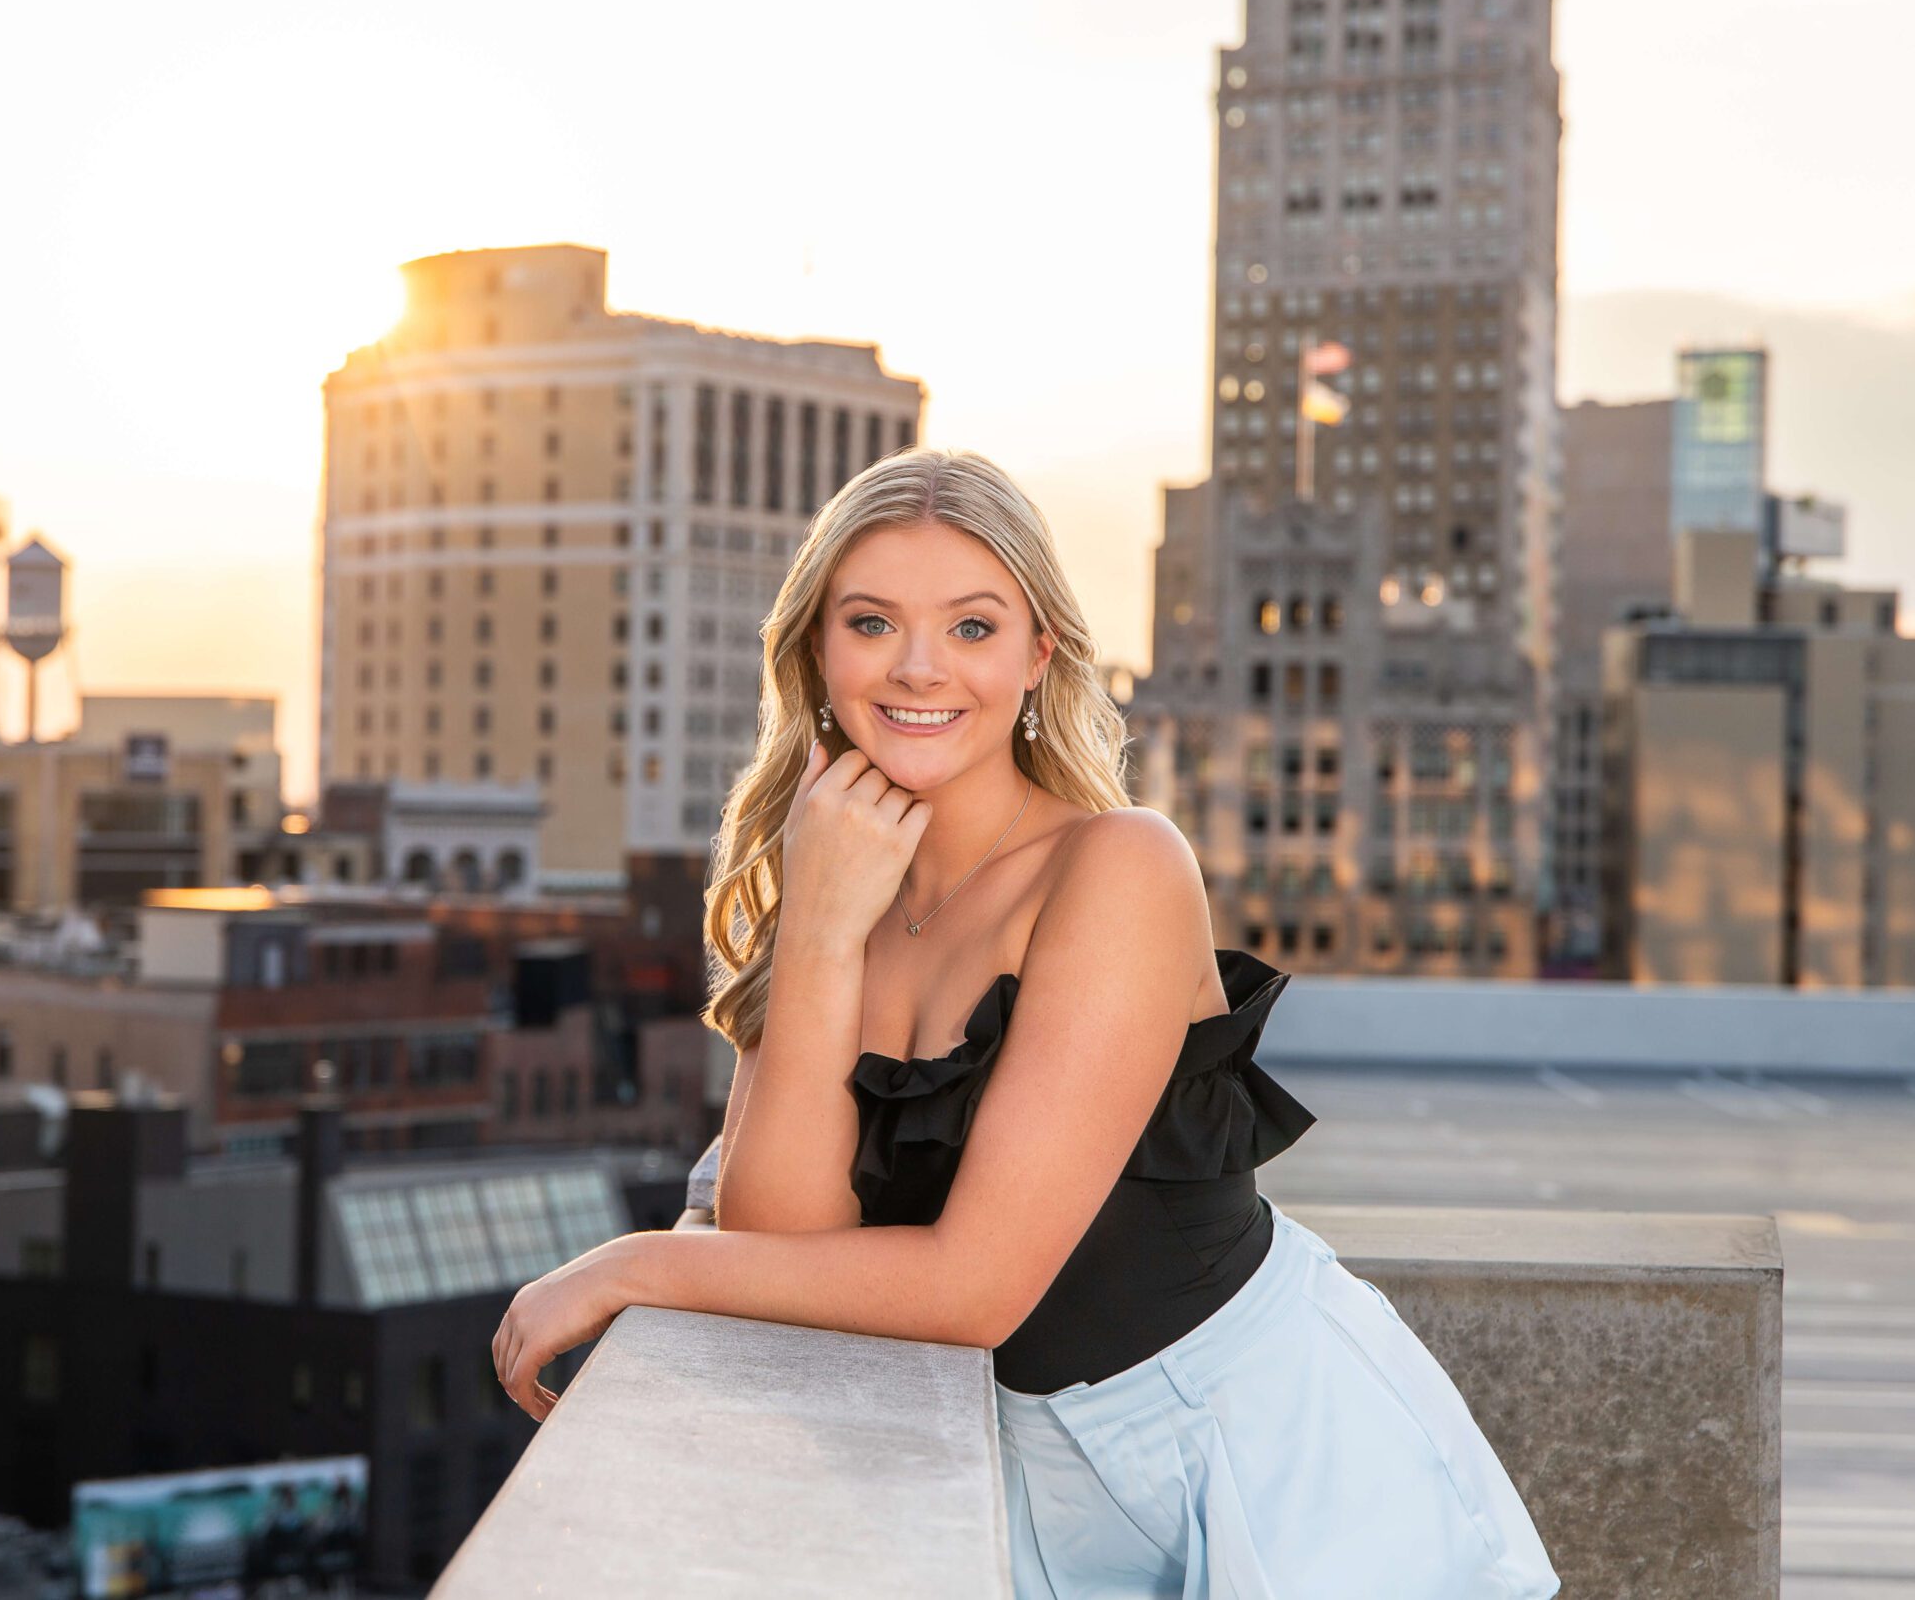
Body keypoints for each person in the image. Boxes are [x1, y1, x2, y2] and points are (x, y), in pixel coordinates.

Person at [494, 448, 1558, 1597]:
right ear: (813, 650)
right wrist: (817, 931)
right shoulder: (829, 878)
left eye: (970, 628)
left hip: (1262, 1457)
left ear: (1038, 653)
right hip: (1020, 1481)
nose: (916, 668)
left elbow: (975, 1289)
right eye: (869, 622)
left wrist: (635, 1266)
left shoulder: (1118, 868)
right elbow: (780, 1236)